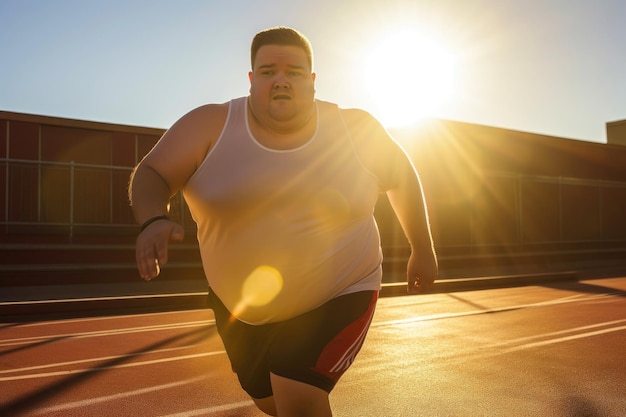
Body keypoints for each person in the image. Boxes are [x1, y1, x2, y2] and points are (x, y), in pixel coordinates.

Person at [129, 26, 437, 417]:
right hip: (240, 308)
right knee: (271, 401)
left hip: (341, 291)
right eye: (268, 71)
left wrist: (422, 249)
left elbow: (403, 177)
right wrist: (153, 218)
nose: (281, 81)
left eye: (293, 72)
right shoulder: (210, 125)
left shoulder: (354, 129)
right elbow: (153, 172)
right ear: (251, 78)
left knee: (297, 394)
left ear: (311, 81)